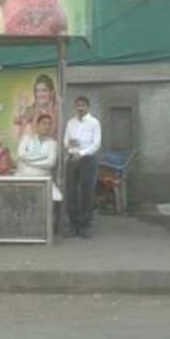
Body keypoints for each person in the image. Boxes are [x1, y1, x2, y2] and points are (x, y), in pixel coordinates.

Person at [17, 113, 64, 235]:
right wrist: (41, 157)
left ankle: (46, 230)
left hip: (44, 179)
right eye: (44, 123)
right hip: (24, 178)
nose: (47, 127)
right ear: (37, 125)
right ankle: (23, 229)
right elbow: (21, 155)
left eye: (49, 124)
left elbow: (51, 163)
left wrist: (30, 161)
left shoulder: (52, 143)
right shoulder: (26, 138)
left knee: (57, 198)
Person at [63, 95, 102, 238]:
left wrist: (82, 153)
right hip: (72, 158)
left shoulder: (94, 123)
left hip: (87, 159)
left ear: (88, 107)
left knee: (87, 191)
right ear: (75, 107)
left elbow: (96, 143)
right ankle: (73, 224)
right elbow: (66, 140)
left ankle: (85, 224)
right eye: (78, 105)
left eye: (83, 106)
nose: (80, 108)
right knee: (71, 191)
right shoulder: (71, 122)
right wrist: (71, 151)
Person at [14, 73, 59, 141]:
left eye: (44, 90)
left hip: (51, 148)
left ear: (51, 92)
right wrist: (20, 110)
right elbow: (19, 136)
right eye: (38, 91)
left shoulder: (57, 112)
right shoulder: (30, 110)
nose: (40, 94)